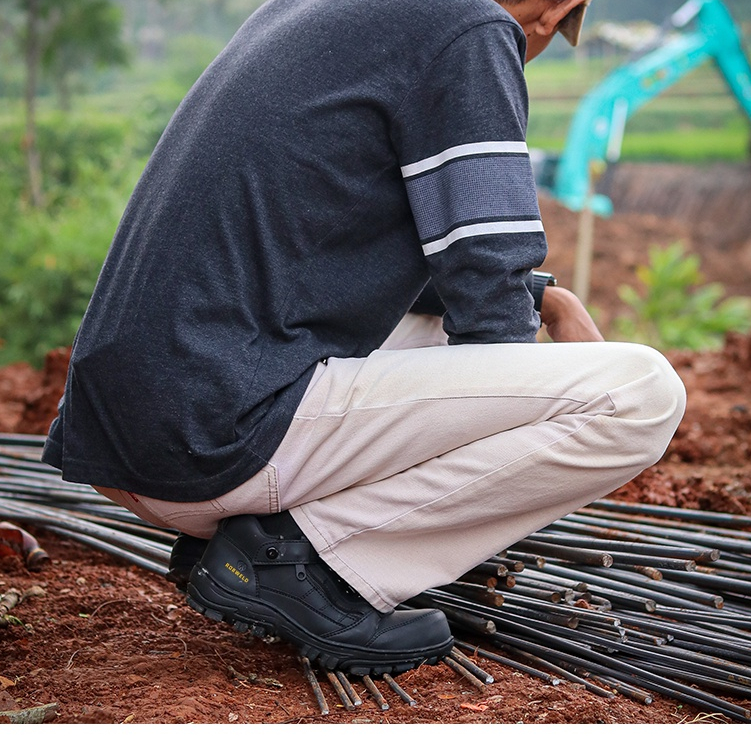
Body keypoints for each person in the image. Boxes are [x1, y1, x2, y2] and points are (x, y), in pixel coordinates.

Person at [42, 0, 686, 676]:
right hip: (214, 439)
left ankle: (243, 540)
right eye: (555, 26)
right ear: (552, 13)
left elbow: (353, 248)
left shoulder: (321, 10)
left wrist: (548, 299)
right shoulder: (469, 25)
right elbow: (488, 289)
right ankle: (302, 560)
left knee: (444, 327)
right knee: (638, 393)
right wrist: (482, 510)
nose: (542, 40)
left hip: (134, 435)